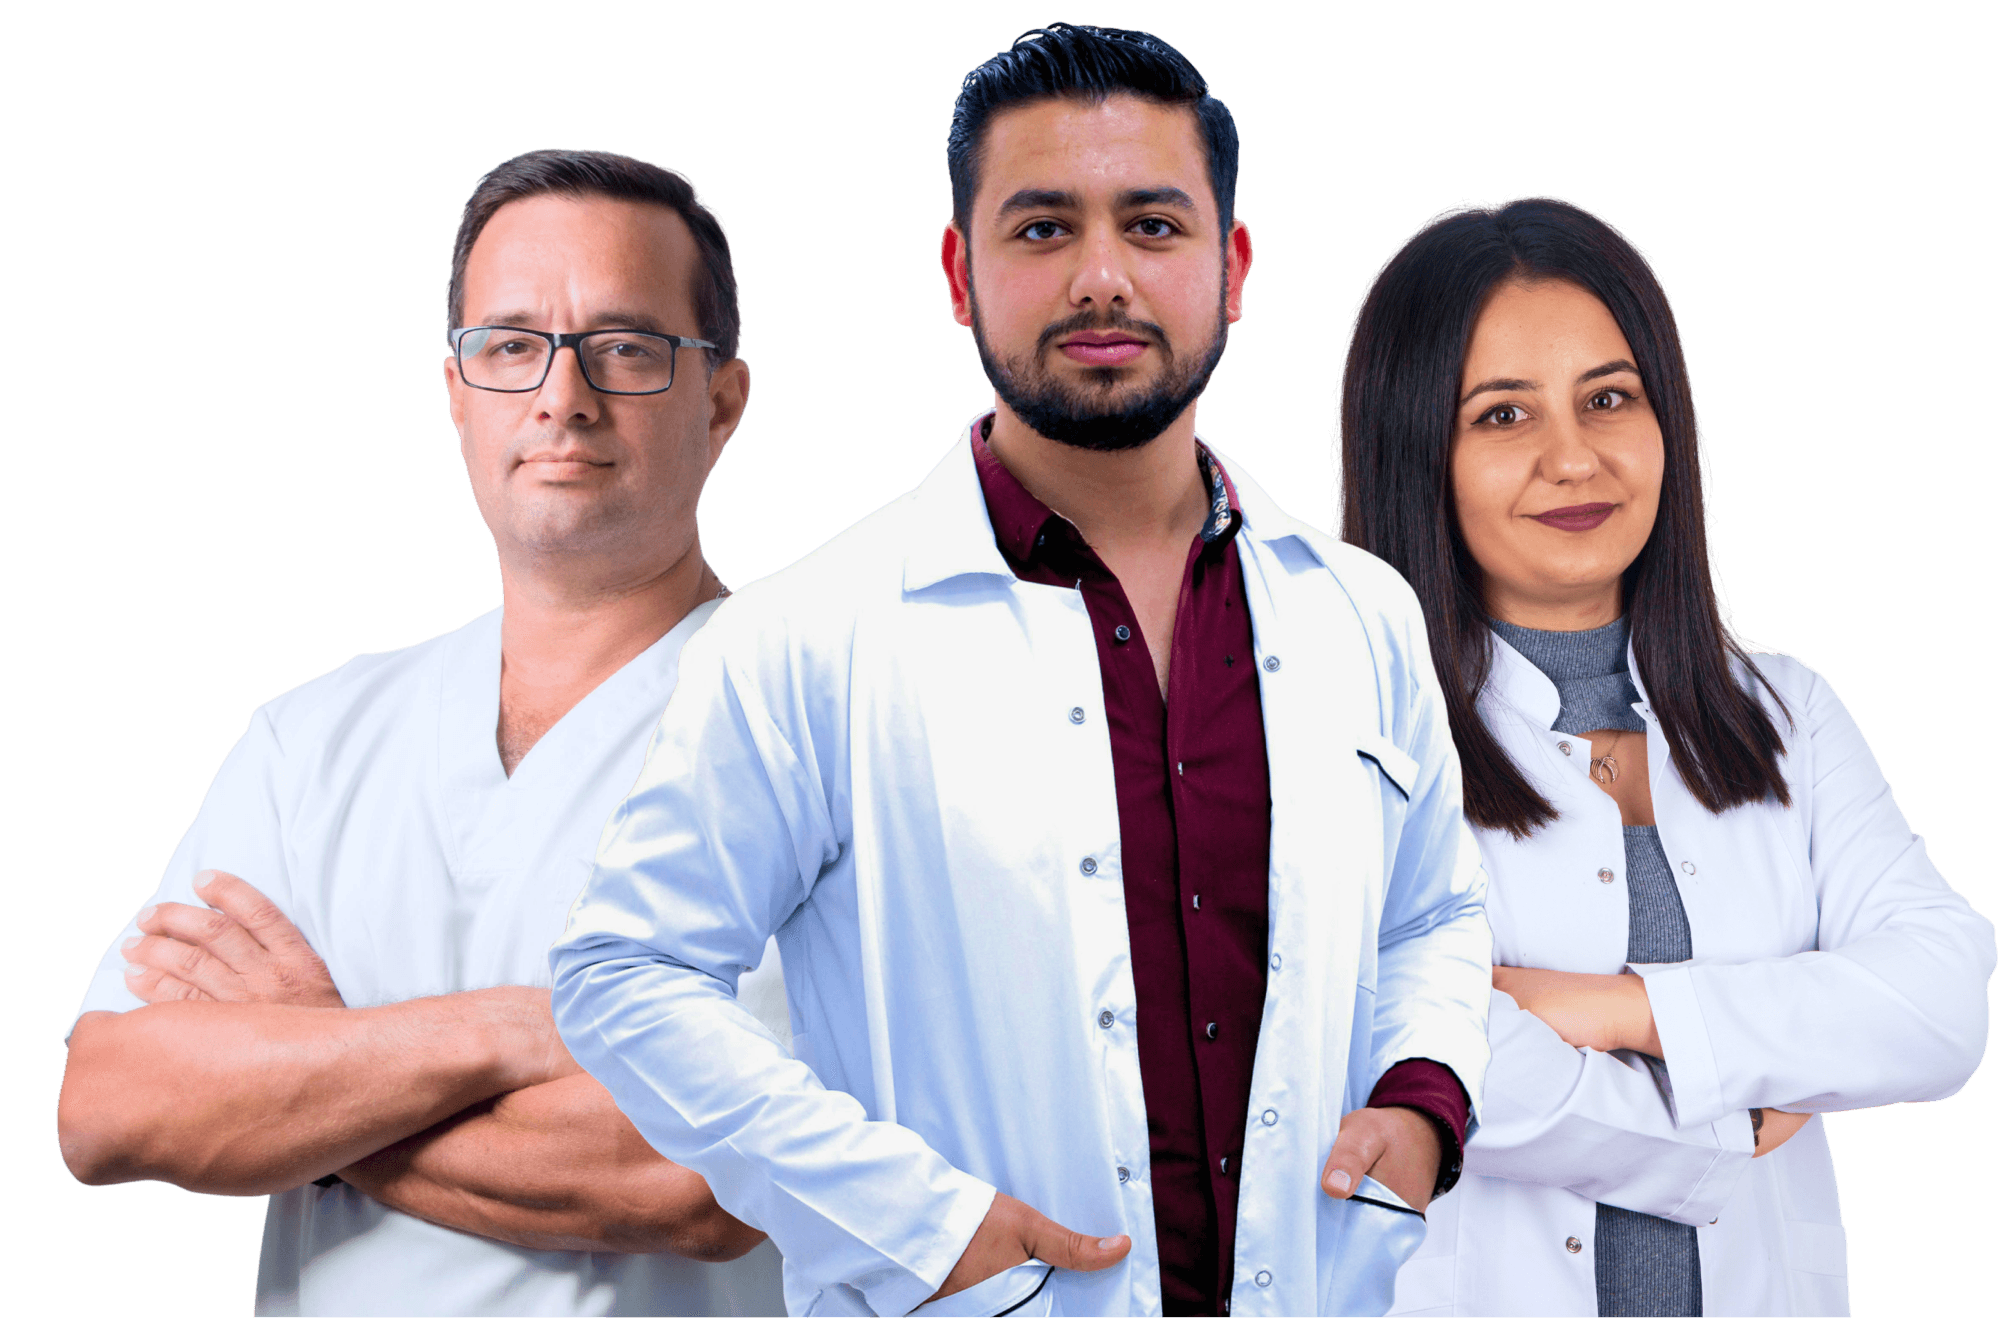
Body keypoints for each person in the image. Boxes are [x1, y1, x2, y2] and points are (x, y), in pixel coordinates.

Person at [549, 24, 1491, 1318]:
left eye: (1153, 226)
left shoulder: (1361, 613)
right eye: (1043, 229)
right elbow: (628, 973)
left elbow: (1435, 913)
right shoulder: (809, 634)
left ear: (1233, 266)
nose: (1101, 277)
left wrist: (1425, 1099)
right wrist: (916, 1224)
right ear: (958, 270)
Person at [56, 149, 790, 1317]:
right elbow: (109, 1102)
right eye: (509, 346)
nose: (562, 396)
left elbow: (705, 1177)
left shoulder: (819, 721)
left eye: (625, 347)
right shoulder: (314, 740)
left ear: (721, 401)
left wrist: (308, 1078)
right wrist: (522, 1031)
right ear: (456, 396)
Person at [1337, 198, 1995, 1317]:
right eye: (1501, 415)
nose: (1571, 456)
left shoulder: (1783, 708)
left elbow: (1939, 1003)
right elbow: (1427, 1058)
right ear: (1416, 452)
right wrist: (1731, 1116)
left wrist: (1622, 1010)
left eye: (1607, 398)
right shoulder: (1346, 734)